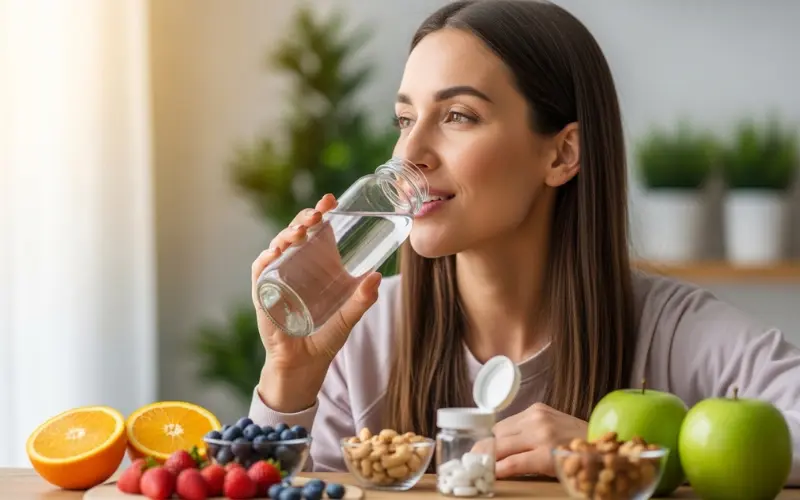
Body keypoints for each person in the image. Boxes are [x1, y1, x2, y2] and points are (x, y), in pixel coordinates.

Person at [248, 0, 800, 484]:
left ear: (561, 155)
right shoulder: (365, 336)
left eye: (458, 116)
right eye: (404, 119)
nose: (408, 153)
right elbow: (274, 483)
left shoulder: (673, 330)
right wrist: (289, 377)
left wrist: (621, 455)